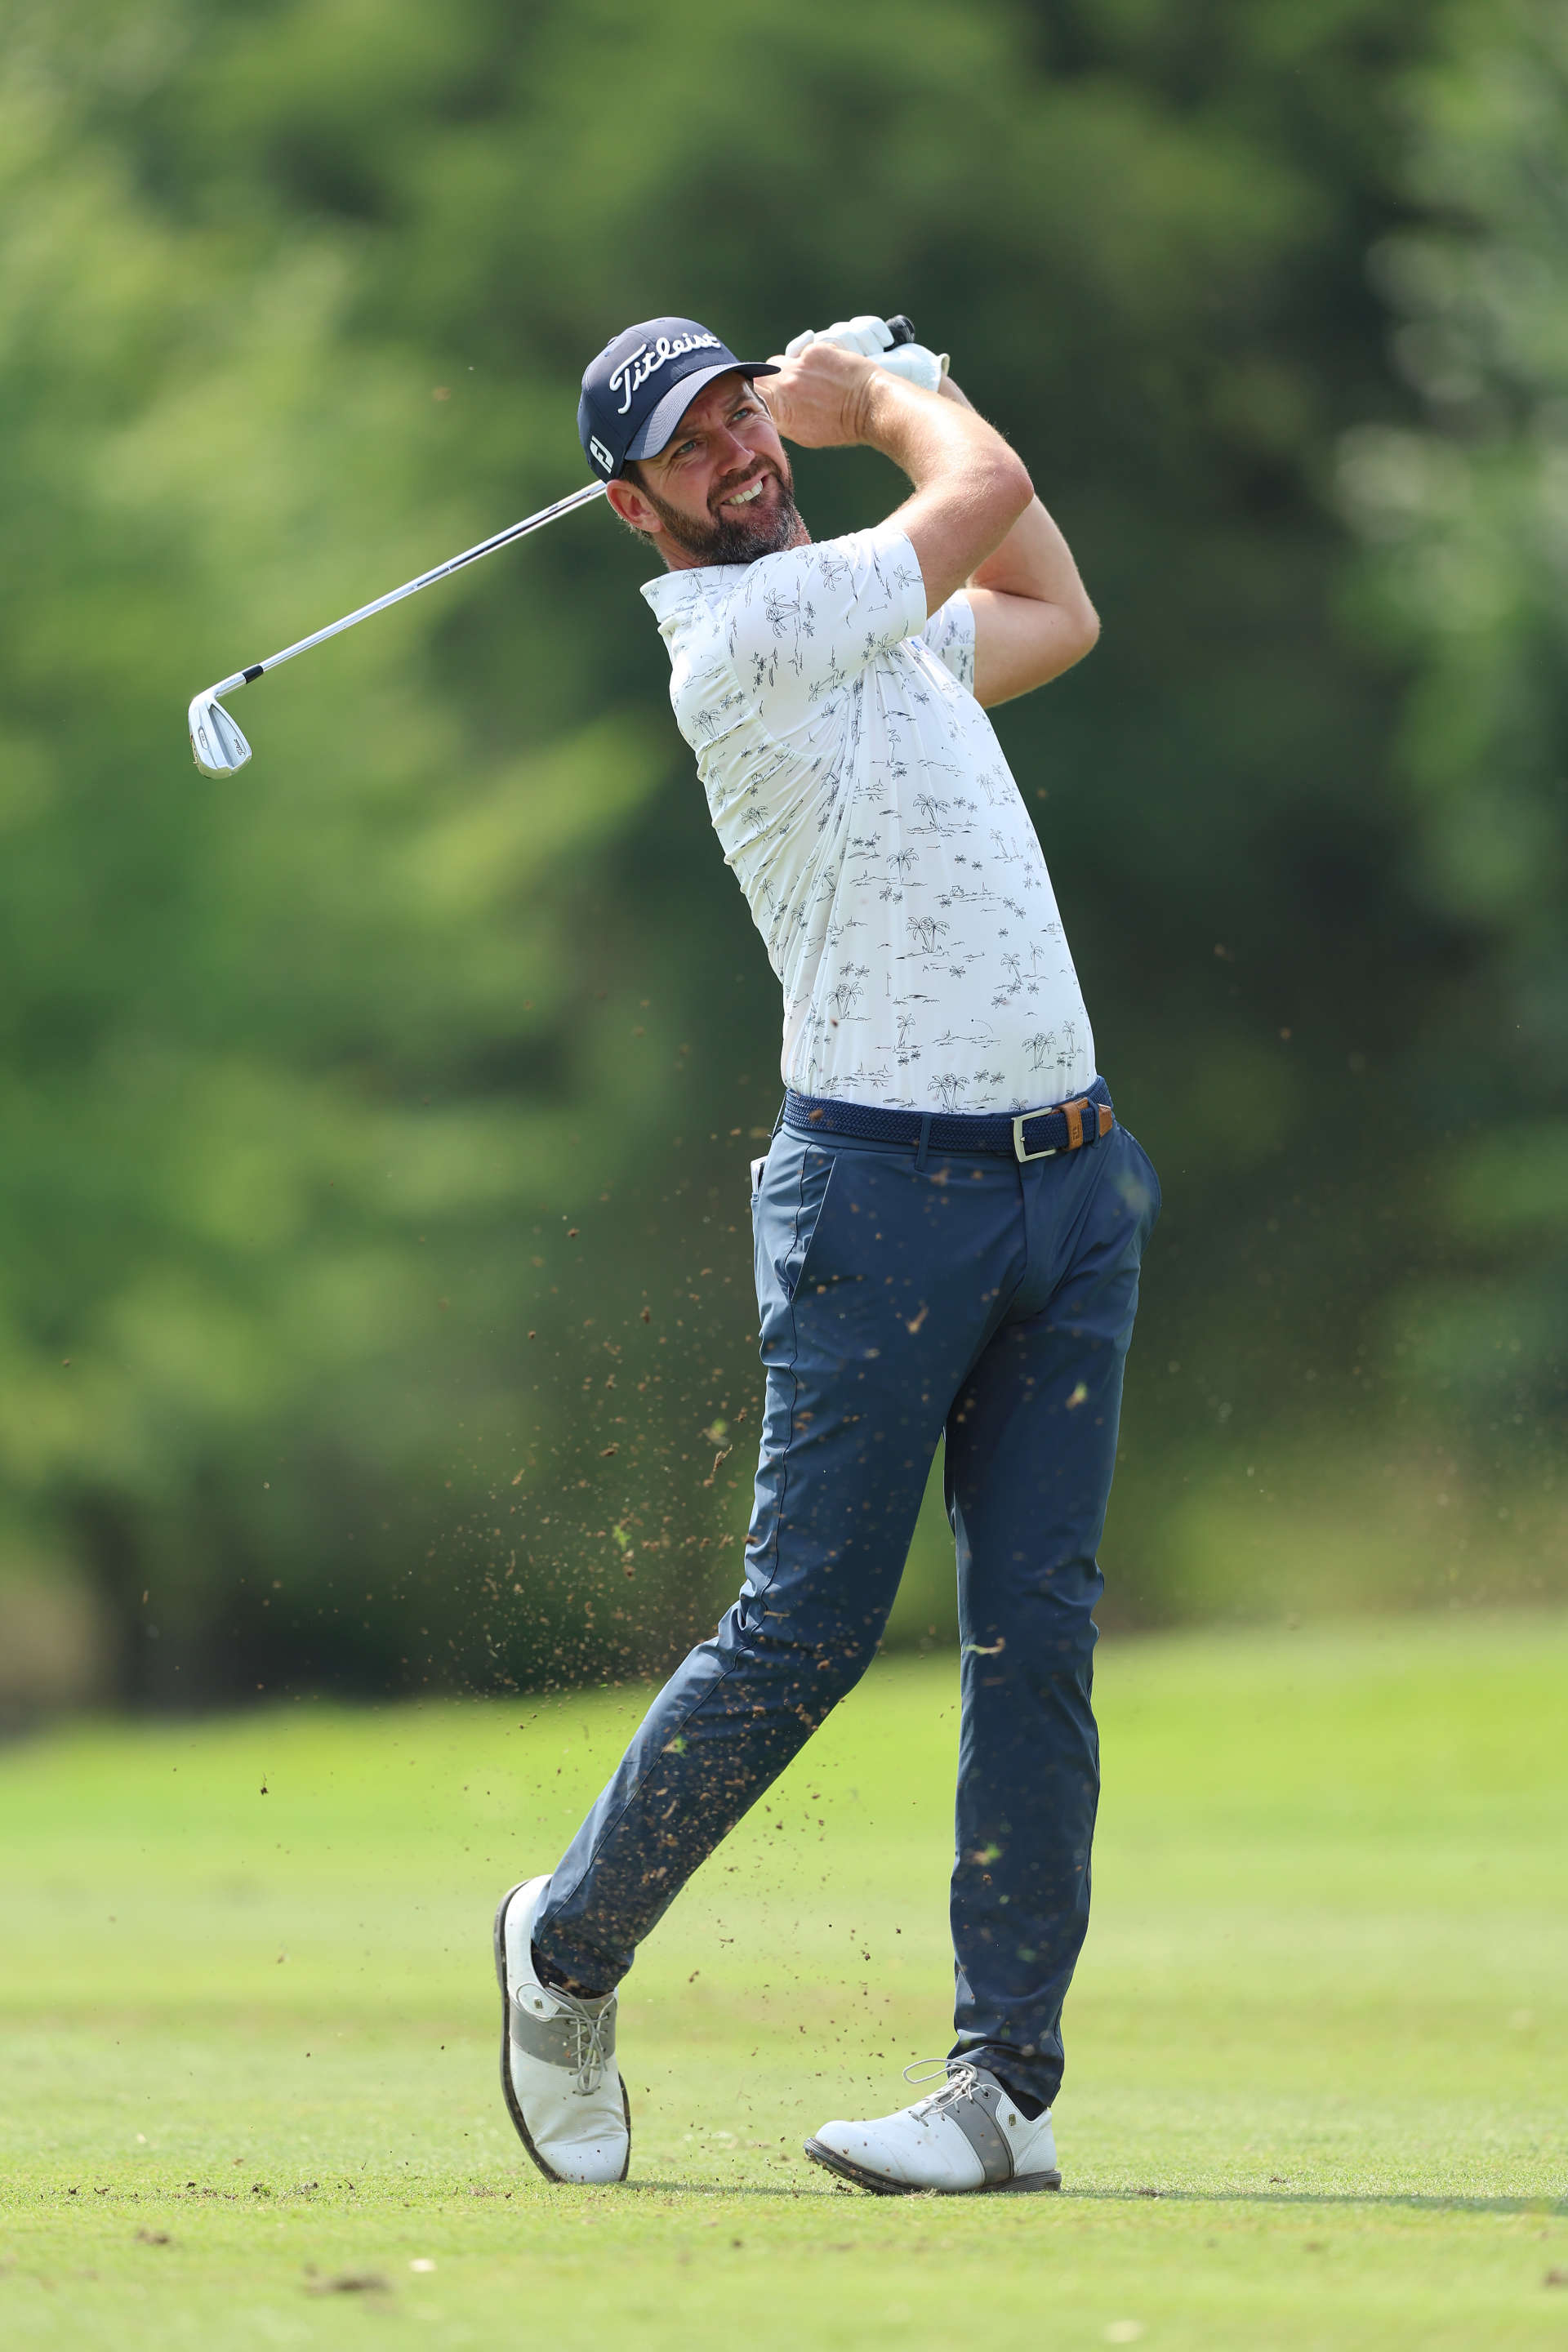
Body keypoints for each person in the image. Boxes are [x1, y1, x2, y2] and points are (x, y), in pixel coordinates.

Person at [493, 312, 1160, 2197]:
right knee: (802, 1638)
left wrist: (895, 409)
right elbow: (991, 489)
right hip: (882, 1201)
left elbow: (1054, 601)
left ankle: (999, 2094)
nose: (739, 456)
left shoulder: (880, 635)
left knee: (1037, 1646)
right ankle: (564, 1953)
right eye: (694, 449)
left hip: (1070, 1185)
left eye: (743, 415)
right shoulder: (744, 643)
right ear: (633, 511)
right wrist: (888, 399)